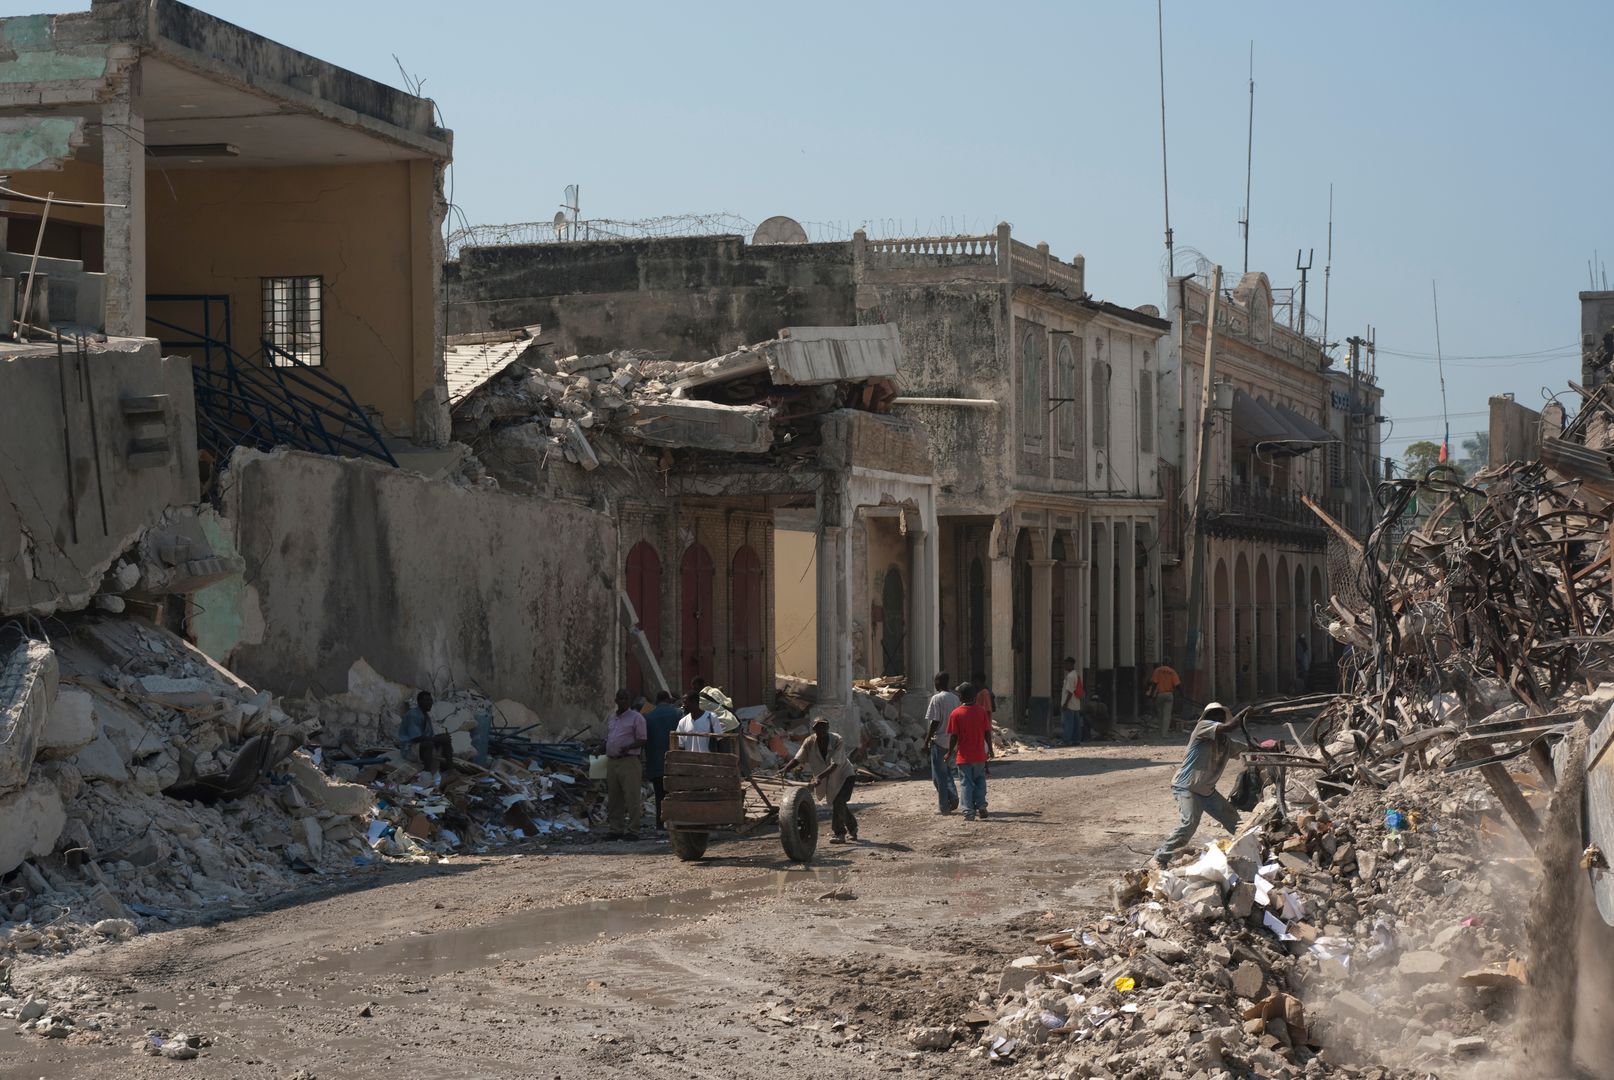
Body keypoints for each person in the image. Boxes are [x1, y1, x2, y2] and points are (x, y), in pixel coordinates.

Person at [1154, 702, 1244, 865]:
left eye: (1219, 716)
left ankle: (1250, 849)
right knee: (1189, 823)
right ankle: (1160, 858)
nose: (1216, 719)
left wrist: (1269, 748)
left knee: (1234, 820)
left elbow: (1246, 748)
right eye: (1213, 716)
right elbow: (1229, 726)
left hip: (1206, 791)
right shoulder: (1202, 727)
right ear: (1207, 718)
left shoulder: (1226, 742)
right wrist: (1245, 714)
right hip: (1186, 786)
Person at [786, 716, 857, 843]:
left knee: (838, 802)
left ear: (828, 727)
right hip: (830, 777)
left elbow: (835, 764)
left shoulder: (837, 739)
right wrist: (786, 768)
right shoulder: (809, 742)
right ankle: (853, 828)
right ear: (814, 729)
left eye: (824, 726)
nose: (821, 729)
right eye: (818, 727)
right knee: (839, 804)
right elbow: (798, 758)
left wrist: (819, 777)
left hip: (845, 775)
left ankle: (839, 833)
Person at [944, 682, 994, 821]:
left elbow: (954, 736)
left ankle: (968, 812)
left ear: (960, 696)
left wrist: (949, 753)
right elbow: (987, 733)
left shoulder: (956, 713)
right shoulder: (981, 711)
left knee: (966, 783)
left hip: (964, 756)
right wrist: (990, 749)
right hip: (979, 755)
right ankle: (981, 805)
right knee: (979, 780)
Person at [603, 689, 647, 841]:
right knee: (614, 798)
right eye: (619, 698)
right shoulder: (611, 718)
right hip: (612, 761)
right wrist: (600, 748)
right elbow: (608, 738)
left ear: (629, 701)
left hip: (629, 761)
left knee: (632, 797)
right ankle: (616, 829)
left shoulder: (637, 718)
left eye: (625, 698)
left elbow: (643, 739)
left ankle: (633, 830)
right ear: (616, 700)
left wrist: (629, 747)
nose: (621, 701)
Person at [642, 691, 682, 830]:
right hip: (674, 762)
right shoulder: (677, 714)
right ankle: (675, 821)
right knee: (675, 794)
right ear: (667, 700)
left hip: (655, 763)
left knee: (660, 795)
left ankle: (660, 824)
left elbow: (644, 742)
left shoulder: (648, 717)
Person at [922, 673, 960, 814]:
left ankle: (944, 806)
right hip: (952, 741)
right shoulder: (956, 699)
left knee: (938, 776)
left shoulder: (936, 698)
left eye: (935, 681)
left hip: (939, 741)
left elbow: (935, 722)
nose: (934, 684)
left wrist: (926, 740)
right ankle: (952, 796)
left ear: (939, 682)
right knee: (946, 772)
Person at [397, 691, 454, 783]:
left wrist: (441, 738)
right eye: (426, 700)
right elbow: (416, 738)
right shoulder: (413, 715)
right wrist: (436, 739)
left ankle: (450, 770)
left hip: (419, 745)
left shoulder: (426, 716)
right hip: (409, 748)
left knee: (445, 738)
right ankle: (426, 773)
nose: (429, 703)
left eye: (430, 700)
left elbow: (429, 735)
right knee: (429, 744)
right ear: (419, 702)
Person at [1145, 658, 1182, 737]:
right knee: (1167, 715)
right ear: (1169, 663)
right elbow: (1177, 685)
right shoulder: (1172, 672)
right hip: (1169, 695)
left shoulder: (1157, 671)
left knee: (1160, 714)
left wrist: (1151, 695)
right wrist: (1181, 694)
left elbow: (1154, 683)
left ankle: (1160, 731)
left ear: (1162, 663)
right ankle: (1164, 734)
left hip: (1159, 694)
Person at [1059, 657, 1085, 746]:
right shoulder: (1076, 675)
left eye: (1066, 664)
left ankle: (1066, 741)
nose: (1064, 666)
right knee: (1076, 724)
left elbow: (1070, 692)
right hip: (1076, 704)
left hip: (1070, 704)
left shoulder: (1070, 676)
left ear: (1070, 664)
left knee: (1068, 724)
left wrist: (1065, 703)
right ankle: (1076, 740)